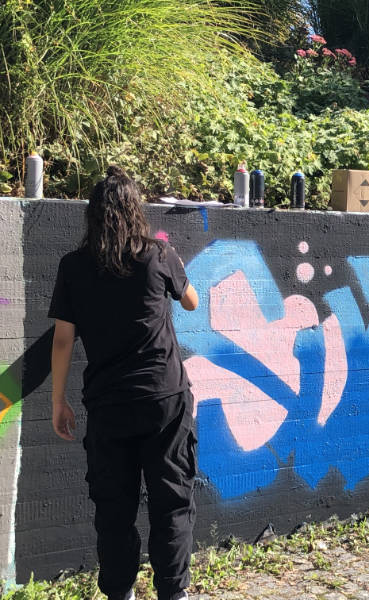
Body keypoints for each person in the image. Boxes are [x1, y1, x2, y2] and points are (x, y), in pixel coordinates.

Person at [48, 166, 200, 600]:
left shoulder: (74, 267)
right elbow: (191, 301)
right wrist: (175, 262)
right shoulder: (159, 255)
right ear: (136, 211)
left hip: (108, 405)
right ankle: (173, 592)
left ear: (93, 216)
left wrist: (58, 401)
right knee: (172, 502)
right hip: (164, 401)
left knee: (114, 508)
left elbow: (62, 340)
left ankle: (120, 593)